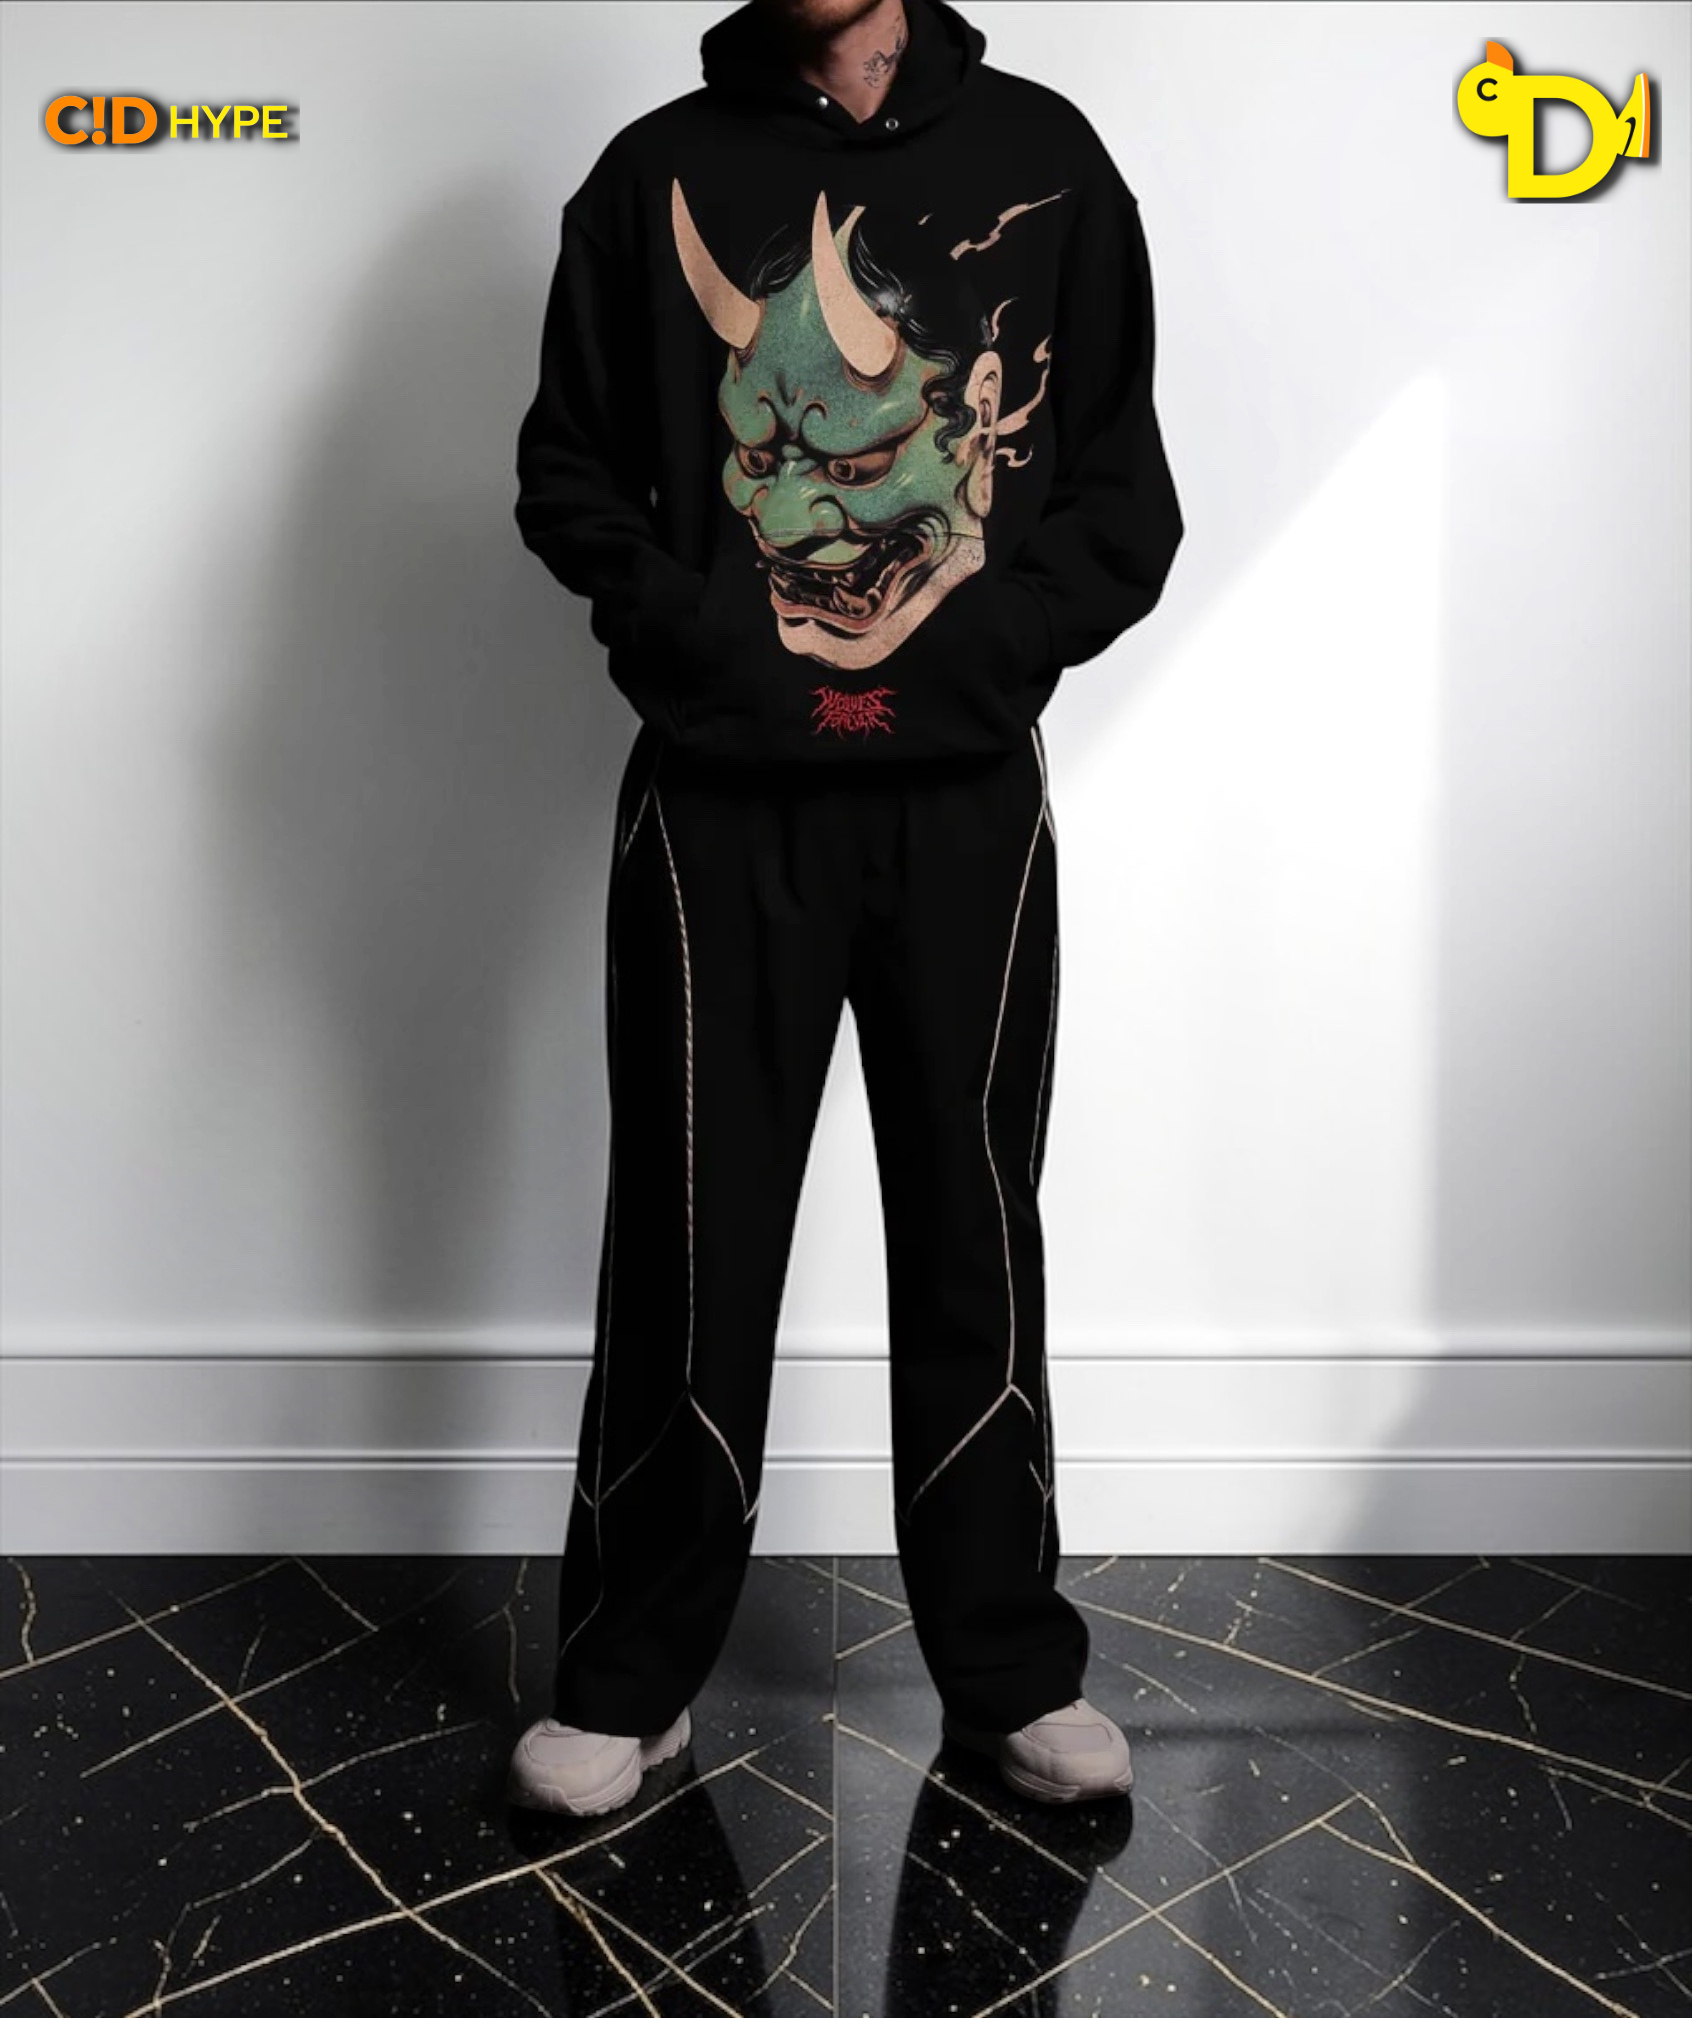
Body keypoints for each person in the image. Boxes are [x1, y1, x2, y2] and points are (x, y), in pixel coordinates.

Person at [506, 0, 1183, 1819]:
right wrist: (699, 636)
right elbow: (566, 473)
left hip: (964, 802)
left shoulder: (1048, 163)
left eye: (859, 454)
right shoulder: (653, 174)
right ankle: (629, 1676)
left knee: (973, 1227)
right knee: (692, 1229)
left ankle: (1011, 1667)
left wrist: (995, 646)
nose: (809, 500)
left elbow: (1123, 491)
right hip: (719, 802)